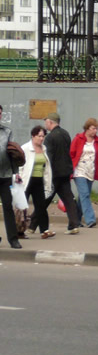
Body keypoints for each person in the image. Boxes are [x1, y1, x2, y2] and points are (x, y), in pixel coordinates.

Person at [70, 117, 98, 229]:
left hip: (91, 172)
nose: (95, 131)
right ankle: (90, 220)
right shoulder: (78, 139)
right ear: (87, 129)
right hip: (79, 171)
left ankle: (75, 220)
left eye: (96, 128)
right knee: (85, 194)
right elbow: (71, 154)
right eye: (93, 128)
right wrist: (69, 168)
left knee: (83, 197)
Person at [43, 111, 82, 234]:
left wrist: (46, 172)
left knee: (45, 199)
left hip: (54, 173)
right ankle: (74, 225)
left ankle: (32, 225)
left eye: (46, 122)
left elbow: (49, 156)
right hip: (65, 171)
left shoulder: (50, 137)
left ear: (50, 122)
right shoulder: (65, 134)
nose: (45, 124)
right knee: (68, 198)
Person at [19, 125, 55, 239]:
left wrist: (47, 181)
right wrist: (18, 179)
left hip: (38, 181)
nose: (41, 139)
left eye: (43, 136)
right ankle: (19, 231)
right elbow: (20, 165)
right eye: (39, 136)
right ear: (33, 136)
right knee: (22, 207)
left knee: (41, 206)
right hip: (26, 181)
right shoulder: (25, 148)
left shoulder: (43, 149)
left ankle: (45, 230)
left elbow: (46, 167)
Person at [0, 104, 23, 248]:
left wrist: (16, 173)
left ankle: (13, 239)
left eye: (0, 113)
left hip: (5, 174)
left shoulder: (7, 131)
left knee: (7, 205)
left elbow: (12, 154)